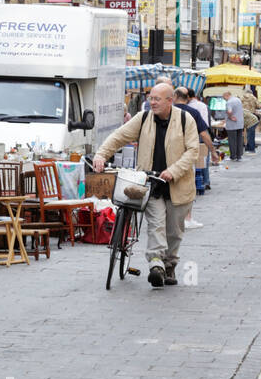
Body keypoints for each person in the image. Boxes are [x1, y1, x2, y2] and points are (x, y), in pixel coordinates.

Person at [93, 83, 201, 287]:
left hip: (178, 185)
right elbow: (119, 136)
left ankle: (169, 264)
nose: (152, 102)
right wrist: (101, 155)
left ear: (170, 100)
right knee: (156, 225)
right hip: (151, 184)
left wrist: (173, 171)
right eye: (151, 98)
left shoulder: (186, 120)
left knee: (174, 232)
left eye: (157, 99)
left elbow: (192, 151)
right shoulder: (143, 118)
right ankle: (156, 265)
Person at [174, 87, 219, 227]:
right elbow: (204, 134)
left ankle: (172, 219)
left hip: (169, 154)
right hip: (187, 155)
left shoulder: (168, 111)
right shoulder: (193, 112)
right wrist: (213, 151)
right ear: (188, 98)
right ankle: (187, 218)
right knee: (188, 187)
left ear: (175, 96)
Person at [223, 90, 245, 161]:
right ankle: (239, 156)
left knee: (232, 140)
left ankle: (233, 156)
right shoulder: (238, 100)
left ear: (227, 95)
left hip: (232, 124)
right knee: (239, 139)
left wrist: (230, 117)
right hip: (240, 123)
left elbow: (229, 111)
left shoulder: (229, 102)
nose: (224, 99)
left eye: (224, 97)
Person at [242, 87, 260, 153]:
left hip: (243, 115)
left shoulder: (242, 97)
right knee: (251, 133)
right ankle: (251, 148)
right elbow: (258, 105)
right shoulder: (253, 97)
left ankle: (247, 146)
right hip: (251, 115)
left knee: (245, 132)